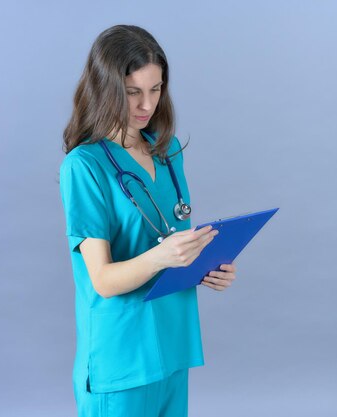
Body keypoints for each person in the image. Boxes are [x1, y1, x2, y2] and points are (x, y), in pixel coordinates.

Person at [58, 24, 237, 417]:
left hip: (172, 344)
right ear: (105, 88)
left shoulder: (167, 149)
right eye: (132, 92)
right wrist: (163, 256)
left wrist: (206, 266)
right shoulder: (84, 167)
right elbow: (102, 279)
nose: (146, 105)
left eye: (155, 89)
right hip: (121, 357)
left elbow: (171, 238)